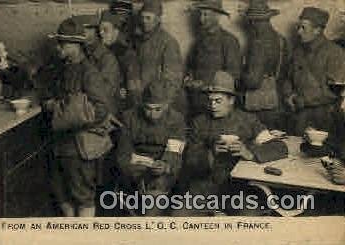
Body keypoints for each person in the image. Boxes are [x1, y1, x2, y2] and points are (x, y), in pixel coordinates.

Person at [175, 71, 288, 216]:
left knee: (249, 216)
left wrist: (249, 152)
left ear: (231, 100)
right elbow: (190, 159)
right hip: (205, 187)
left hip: (239, 188)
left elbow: (279, 147)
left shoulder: (248, 120)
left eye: (218, 101)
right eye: (209, 100)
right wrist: (211, 153)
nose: (212, 106)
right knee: (179, 215)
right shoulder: (199, 122)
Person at [44, 16, 115, 217]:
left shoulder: (88, 72)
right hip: (62, 144)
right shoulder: (65, 67)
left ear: (76, 45)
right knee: (62, 193)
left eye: (62, 43)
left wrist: (58, 108)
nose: (58, 47)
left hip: (79, 145)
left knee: (82, 196)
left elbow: (101, 109)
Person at [115, 82, 186, 216]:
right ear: (141, 104)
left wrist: (165, 165)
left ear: (166, 105)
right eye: (148, 108)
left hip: (163, 169)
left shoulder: (176, 119)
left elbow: (175, 152)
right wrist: (138, 174)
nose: (151, 114)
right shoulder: (128, 117)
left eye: (157, 109)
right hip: (134, 168)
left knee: (156, 191)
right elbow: (123, 154)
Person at [284, 7, 345, 135]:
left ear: (318, 30)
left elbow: (334, 90)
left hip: (324, 118)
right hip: (298, 116)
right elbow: (288, 78)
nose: (299, 32)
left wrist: (304, 100)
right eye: (298, 27)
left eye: (303, 28)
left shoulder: (334, 53)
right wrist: (288, 95)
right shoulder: (297, 52)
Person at [186, 0, 241, 118]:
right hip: (195, 99)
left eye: (206, 14)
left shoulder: (229, 41)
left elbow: (233, 74)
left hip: (216, 102)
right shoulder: (199, 40)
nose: (201, 19)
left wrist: (206, 85)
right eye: (200, 14)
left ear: (216, 17)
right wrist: (189, 79)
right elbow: (190, 65)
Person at [241, 0, 290, 130]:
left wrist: (238, 78)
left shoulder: (258, 43)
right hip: (276, 101)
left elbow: (253, 81)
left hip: (259, 107)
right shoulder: (281, 40)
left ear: (252, 22)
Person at [135, 0, 185, 115]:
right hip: (142, 100)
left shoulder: (168, 42)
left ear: (158, 19)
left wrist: (163, 106)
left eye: (148, 18)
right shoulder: (140, 41)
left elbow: (173, 80)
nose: (144, 21)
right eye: (142, 17)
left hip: (158, 103)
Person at [78, 14, 122, 116]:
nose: (80, 32)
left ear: (94, 31)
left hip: (103, 114)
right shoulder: (84, 52)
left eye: (85, 29)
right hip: (86, 110)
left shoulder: (107, 58)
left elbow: (105, 92)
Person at [99, 10, 141, 111]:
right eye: (99, 30)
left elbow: (134, 89)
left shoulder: (127, 54)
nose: (101, 33)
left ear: (116, 31)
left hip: (121, 105)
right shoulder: (102, 51)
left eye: (105, 30)